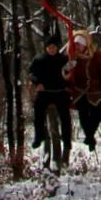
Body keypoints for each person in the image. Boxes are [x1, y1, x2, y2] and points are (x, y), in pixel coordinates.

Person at [65, 29, 101, 151]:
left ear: (85, 45)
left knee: (97, 111)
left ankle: (90, 136)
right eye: (75, 45)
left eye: (79, 45)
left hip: (96, 89)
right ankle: (90, 137)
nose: (77, 47)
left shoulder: (96, 56)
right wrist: (67, 71)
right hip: (79, 90)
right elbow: (64, 72)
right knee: (83, 111)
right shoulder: (71, 57)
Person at [29, 29, 72, 163]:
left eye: (53, 47)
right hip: (45, 92)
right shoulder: (39, 60)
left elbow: (70, 74)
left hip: (60, 92)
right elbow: (31, 74)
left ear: (57, 47)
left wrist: (68, 81)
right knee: (38, 113)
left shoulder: (63, 59)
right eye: (49, 47)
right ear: (46, 48)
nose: (51, 49)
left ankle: (67, 141)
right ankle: (38, 136)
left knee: (65, 118)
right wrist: (37, 83)